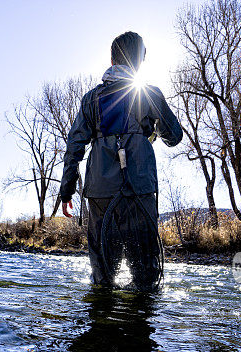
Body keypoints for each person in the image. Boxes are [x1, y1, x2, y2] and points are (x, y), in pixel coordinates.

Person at [59, 31, 182, 290]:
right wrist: (153, 131)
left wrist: (67, 190)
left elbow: (74, 147)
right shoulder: (150, 94)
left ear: (112, 60)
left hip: (100, 196)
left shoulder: (91, 98)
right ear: (139, 62)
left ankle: (101, 325)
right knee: (146, 281)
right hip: (139, 191)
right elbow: (175, 136)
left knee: (103, 280)